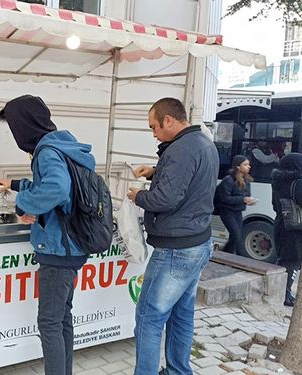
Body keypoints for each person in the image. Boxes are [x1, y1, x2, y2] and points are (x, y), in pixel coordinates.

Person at [0, 95, 94, 375]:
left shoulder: (47, 151)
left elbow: (57, 190)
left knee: (49, 322)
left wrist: (22, 204)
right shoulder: (64, 145)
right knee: (62, 319)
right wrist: (16, 184)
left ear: (24, 125)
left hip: (58, 249)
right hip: (72, 246)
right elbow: (54, 186)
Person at [126, 97, 219, 375]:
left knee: (148, 317)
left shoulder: (180, 150)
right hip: (198, 242)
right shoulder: (203, 142)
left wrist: (138, 195)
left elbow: (165, 198)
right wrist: (156, 170)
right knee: (181, 314)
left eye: (154, 127)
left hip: (176, 250)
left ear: (169, 120)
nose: (153, 133)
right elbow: (189, 179)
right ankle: (179, 371)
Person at [271, 152, 302, 307]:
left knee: (283, 259)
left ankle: (279, 291)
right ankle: (286, 295)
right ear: (298, 165)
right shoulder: (300, 181)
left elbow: (275, 205)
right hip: (295, 228)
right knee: (293, 262)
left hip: (281, 224)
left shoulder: (277, 181)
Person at [214, 155, 256, 255]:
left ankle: (226, 255)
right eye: (245, 165)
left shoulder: (246, 180)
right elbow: (225, 198)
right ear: (238, 167)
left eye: (249, 164)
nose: (248, 167)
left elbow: (246, 195)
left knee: (237, 237)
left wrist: (249, 201)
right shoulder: (228, 180)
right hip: (227, 211)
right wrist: (243, 199)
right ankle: (225, 254)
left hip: (238, 211)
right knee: (236, 235)